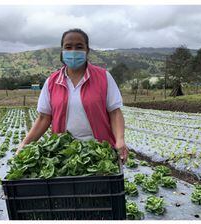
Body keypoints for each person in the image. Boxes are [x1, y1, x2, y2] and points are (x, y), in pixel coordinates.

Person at [16, 28, 129, 163]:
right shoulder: (52, 82)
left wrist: (120, 140)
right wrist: (25, 144)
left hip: (100, 152)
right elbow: (43, 118)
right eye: (68, 47)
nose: (73, 51)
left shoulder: (103, 77)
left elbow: (115, 113)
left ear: (87, 50)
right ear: (62, 51)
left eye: (79, 47)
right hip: (64, 154)